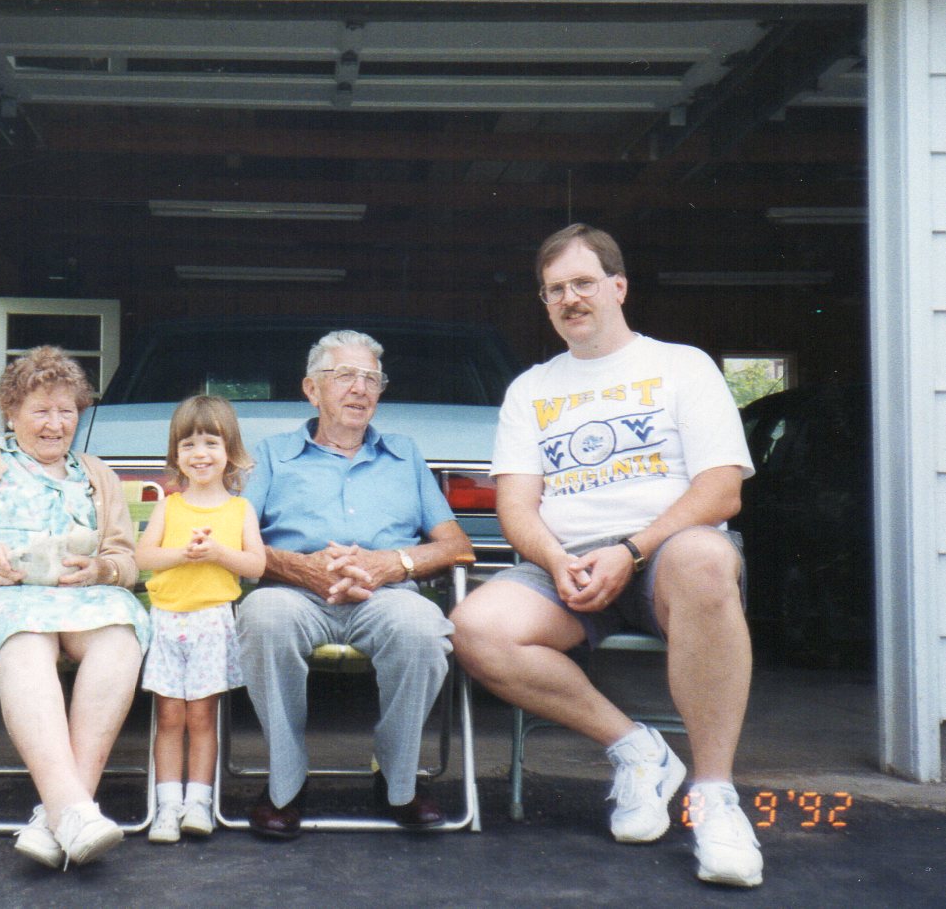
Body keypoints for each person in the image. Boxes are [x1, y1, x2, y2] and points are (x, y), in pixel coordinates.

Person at [450, 223, 763, 888]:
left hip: (664, 557)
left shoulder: (682, 366)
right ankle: (636, 751)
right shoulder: (530, 389)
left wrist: (630, 548)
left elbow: (721, 489)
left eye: (582, 282)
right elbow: (515, 507)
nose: (569, 298)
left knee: (707, 558)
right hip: (566, 566)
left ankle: (713, 799)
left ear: (617, 286)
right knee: (476, 627)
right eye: (554, 289)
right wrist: (557, 559)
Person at [0, 345, 149, 870]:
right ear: (11, 412)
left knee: (120, 634)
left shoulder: (96, 474)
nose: (54, 424)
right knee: (25, 638)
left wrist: (103, 571)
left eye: (66, 411)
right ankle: (74, 810)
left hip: (78, 596)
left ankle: (60, 816)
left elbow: (124, 559)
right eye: (41, 410)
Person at [237, 330, 469, 838]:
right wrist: (303, 569)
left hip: (384, 595)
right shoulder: (273, 454)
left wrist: (394, 562)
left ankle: (397, 779)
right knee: (261, 618)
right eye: (344, 376)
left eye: (371, 378)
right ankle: (284, 785)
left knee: (424, 630)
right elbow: (239, 539)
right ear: (311, 388)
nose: (360, 389)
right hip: (291, 592)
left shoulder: (404, 455)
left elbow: (456, 546)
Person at [135, 395, 265, 843]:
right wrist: (183, 554)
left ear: (230, 450)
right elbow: (143, 556)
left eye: (211, 442)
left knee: (202, 718)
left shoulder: (239, 509)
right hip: (168, 621)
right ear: (176, 455)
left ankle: (199, 803)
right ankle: (167, 807)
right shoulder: (169, 507)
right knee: (169, 716)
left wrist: (217, 553)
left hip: (212, 622)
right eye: (188, 444)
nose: (200, 453)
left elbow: (256, 566)